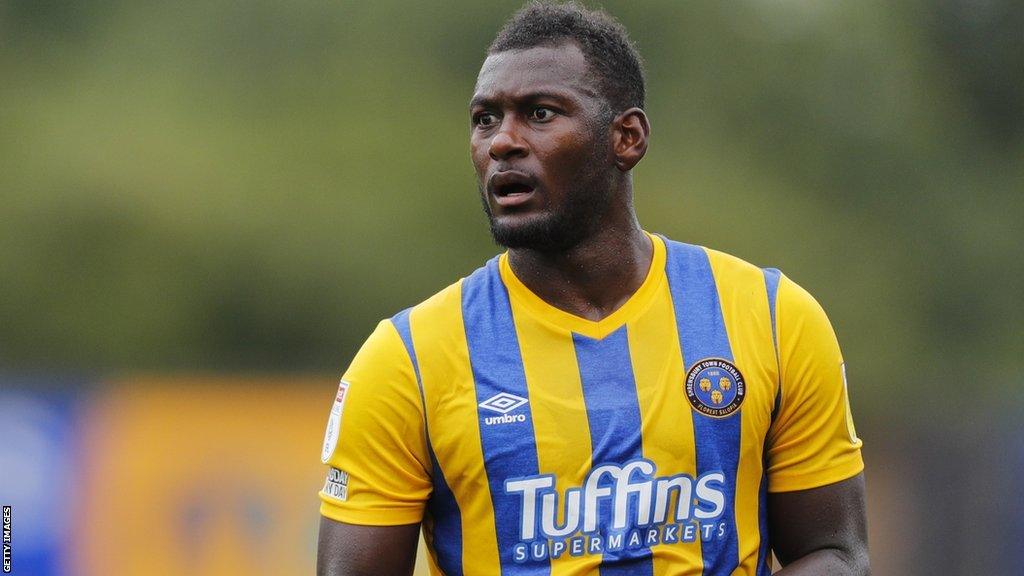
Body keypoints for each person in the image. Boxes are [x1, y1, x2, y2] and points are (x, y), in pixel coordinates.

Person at [316, 2, 869, 575]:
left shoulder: (773, 319)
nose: (502, 141)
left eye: (540, 113)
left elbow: (834, 555)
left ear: (626, 137)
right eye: (485, 119)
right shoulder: (406, 362)